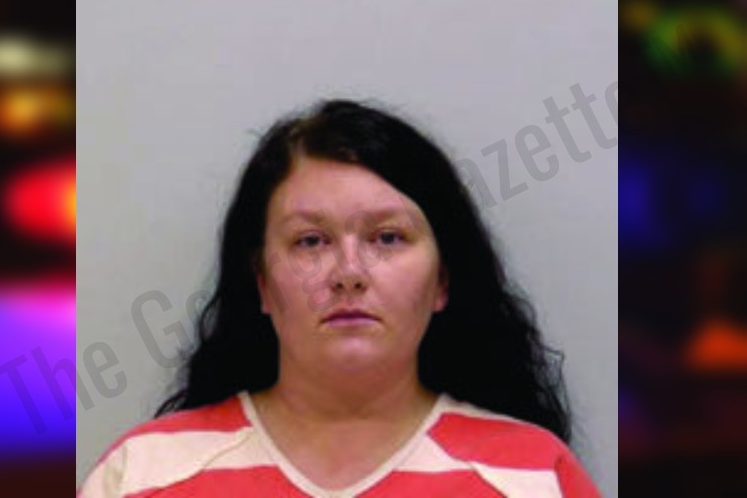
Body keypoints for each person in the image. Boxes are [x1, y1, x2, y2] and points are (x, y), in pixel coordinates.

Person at [79, 99, 600, 497]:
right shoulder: (144, 474)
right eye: (311, 242)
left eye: (387, 238)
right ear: (261, 283)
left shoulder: (532, 477)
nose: (349, 273)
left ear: (442, 281)